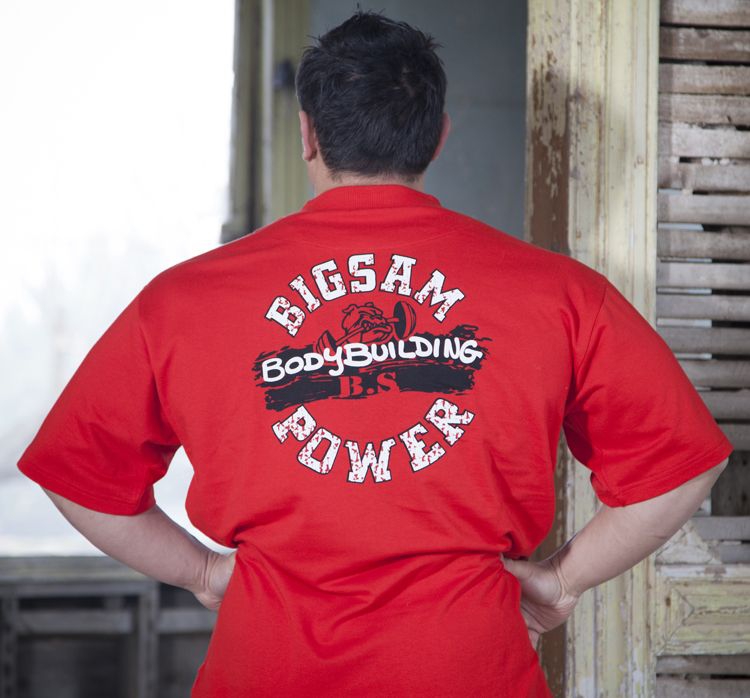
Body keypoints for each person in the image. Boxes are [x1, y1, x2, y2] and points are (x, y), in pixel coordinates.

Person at [17, 9, 732, 698]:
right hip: (470, 672)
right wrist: (562, 580)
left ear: (307, 134)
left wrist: (203, 572)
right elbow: (682, 467)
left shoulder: (182, 301)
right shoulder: (561, 293)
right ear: (438, 137)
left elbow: (77, 478)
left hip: (266, 672)